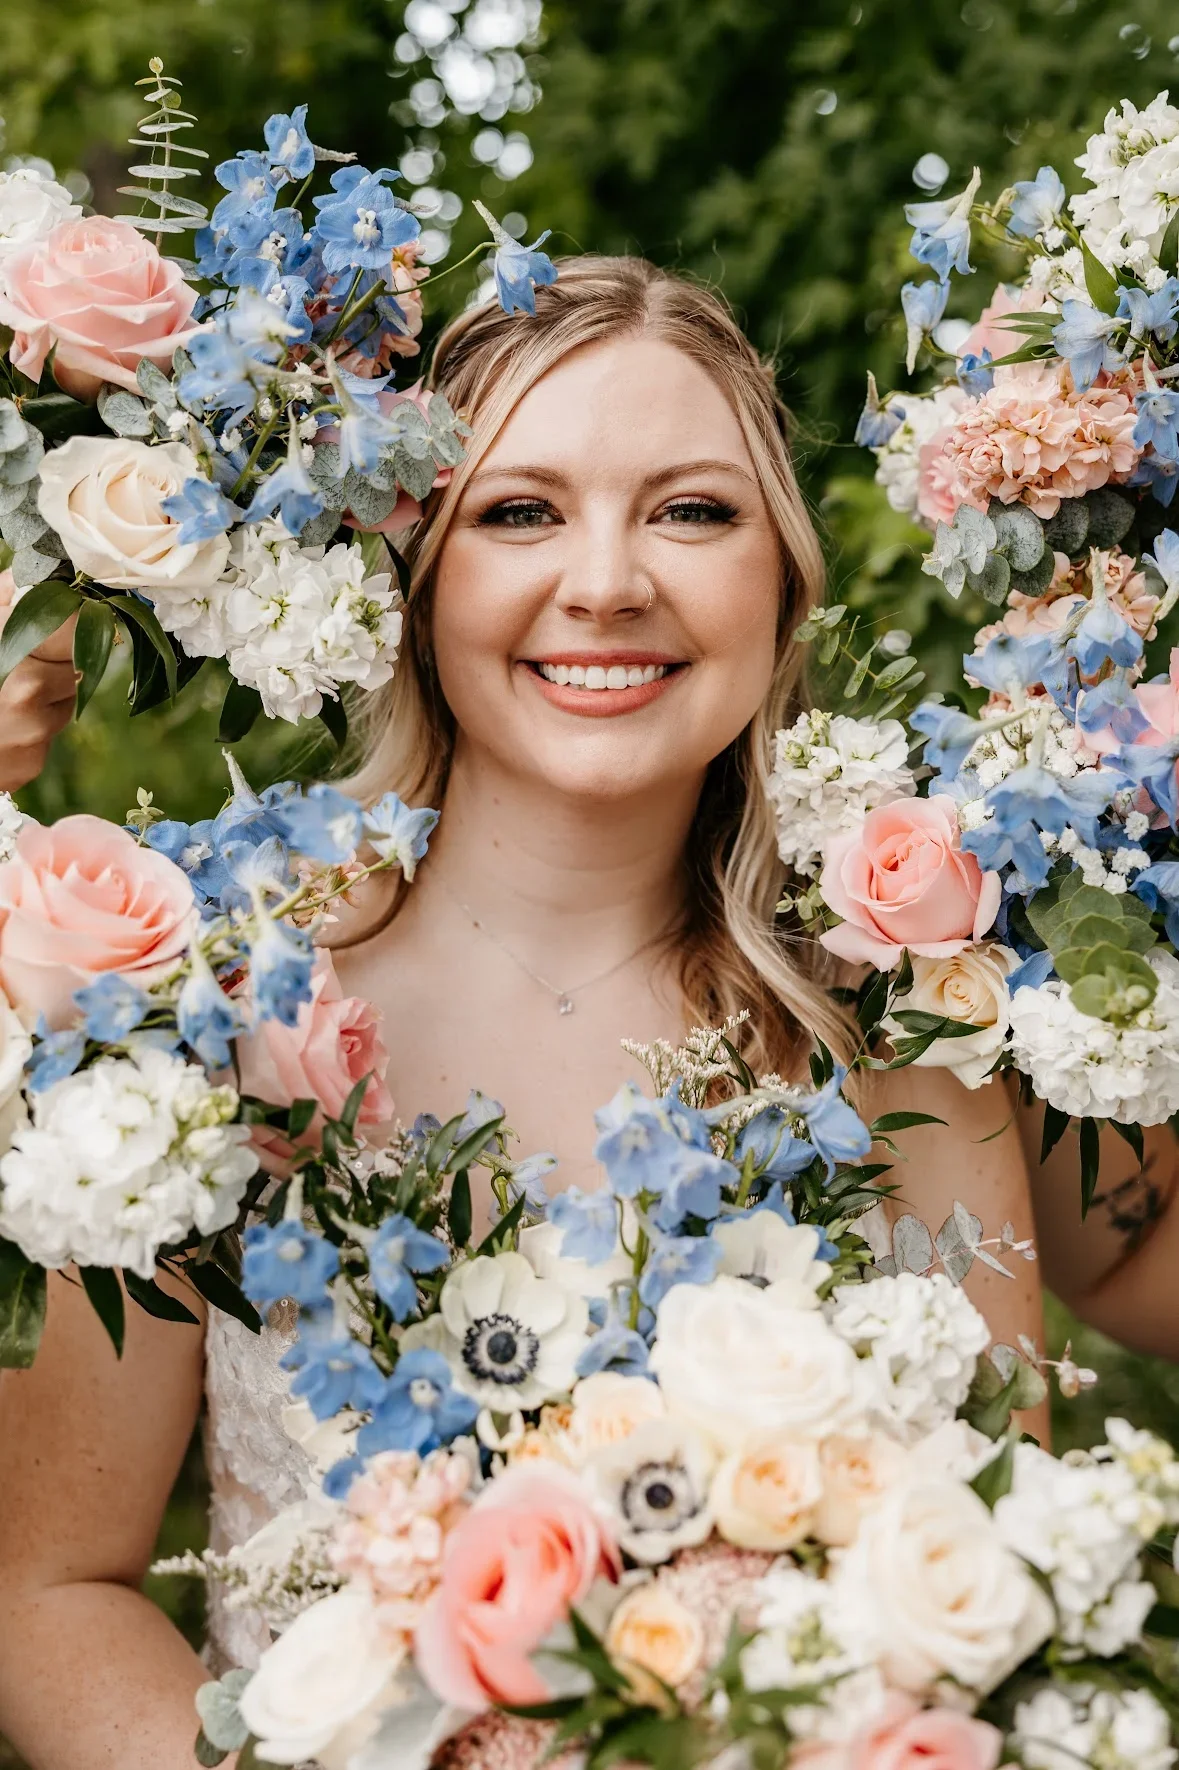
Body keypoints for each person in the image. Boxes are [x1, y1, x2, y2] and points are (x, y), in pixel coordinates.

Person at [0, 255, 1168, 1767]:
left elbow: (988, 1585)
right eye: (518, 510)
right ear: (417, 580)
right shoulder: (206, 1011)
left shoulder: (909, 1043)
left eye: (690, 509)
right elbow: (47, 1584)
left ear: (780, 576)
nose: (608, 579)